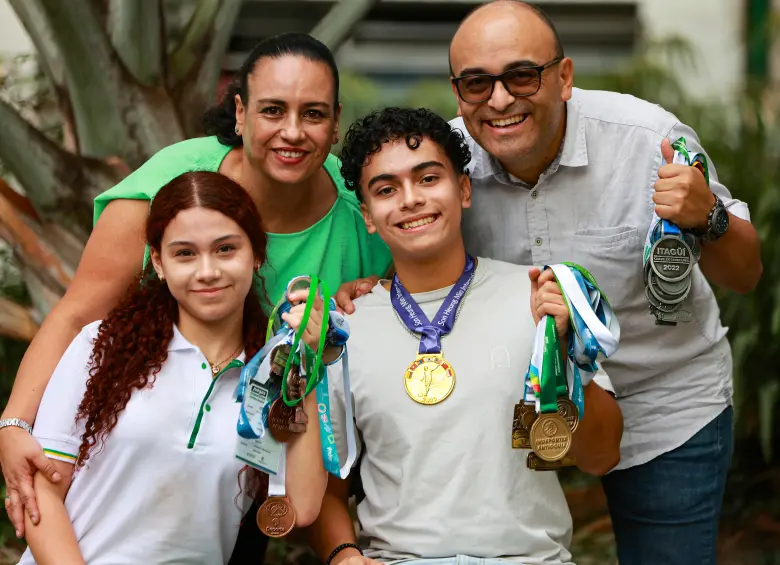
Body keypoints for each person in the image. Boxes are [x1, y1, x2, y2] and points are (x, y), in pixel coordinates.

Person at [0, 32, 391, 546]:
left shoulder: (364, 213)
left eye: (312, 114)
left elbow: (401, 311)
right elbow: (76, 315)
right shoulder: (175, 186)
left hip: (261, 452)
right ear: (240, 113)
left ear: (335, 120)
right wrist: (14, 426)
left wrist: (379, 289)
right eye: (272, 110)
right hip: (142, 418)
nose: (292, 132)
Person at [437, 2, 760, 564]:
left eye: (521, 75)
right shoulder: (444, 162)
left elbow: (745, 274)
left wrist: (707, 215)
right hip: (521, 404)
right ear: (457, 91)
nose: (498, 99)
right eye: (476, 83)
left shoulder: (646, 139)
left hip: (662, 399)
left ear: (564, 77)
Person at [310, 107, 623, 565]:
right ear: (369, 217)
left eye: (428, 178)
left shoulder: (537, 296)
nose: (410, 199)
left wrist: (571, 355)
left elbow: (601, 456)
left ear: (463, 189)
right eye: (386, 189)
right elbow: (327, 485)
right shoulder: (349, 327)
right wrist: (343, 556)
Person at [15, 171, 326, 565]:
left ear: (257, 254)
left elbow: (302, 506)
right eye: (185, 254)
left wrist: (305, 361)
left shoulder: (270, 374)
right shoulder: (102, 347)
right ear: (159, 262)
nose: (207, 271)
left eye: (226, 249)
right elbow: (40, 496)